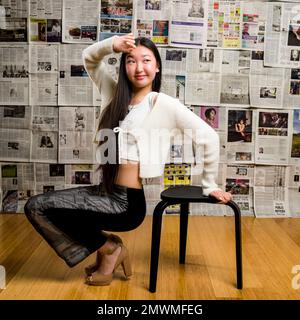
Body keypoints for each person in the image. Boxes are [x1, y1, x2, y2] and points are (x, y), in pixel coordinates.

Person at [24, 33, 231, 287]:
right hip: (105, 192)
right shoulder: (114, 94)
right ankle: (110, 248)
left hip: (126, 205)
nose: (139, 67)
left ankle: (110, 250)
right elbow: (89, 58)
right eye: (131, 60)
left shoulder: (161, 103)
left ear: (157, 67)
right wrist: (113, 45)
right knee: (37, 206)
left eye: (146, 60)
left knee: (47, 208)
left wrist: (209, 185)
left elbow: (208, 136)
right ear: (124, 67)